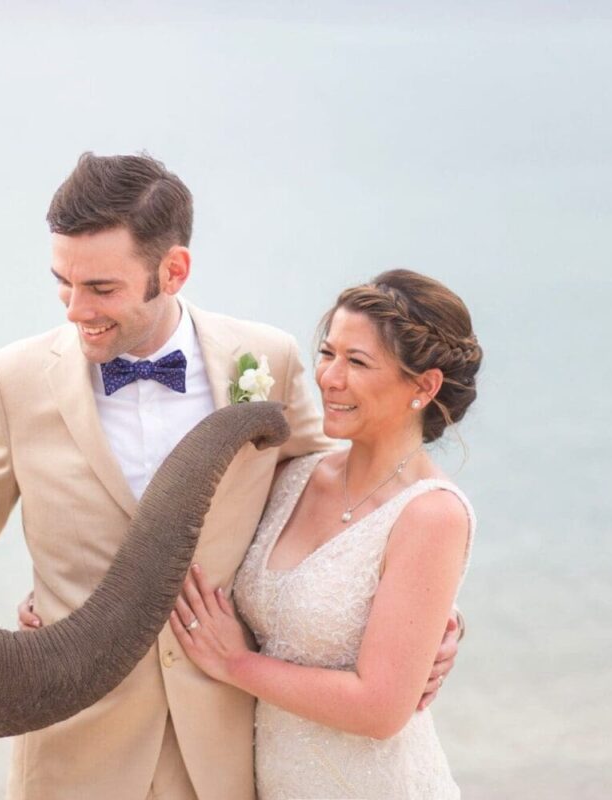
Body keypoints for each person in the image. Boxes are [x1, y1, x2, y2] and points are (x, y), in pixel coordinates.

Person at [0, 154, 463, 800]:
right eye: (63, 281)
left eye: (101, 288)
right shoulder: (15, 379)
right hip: (73, 753)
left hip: (226, 757)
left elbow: (334, 505)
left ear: (173, 270)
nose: (74, 308)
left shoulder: (268, 360)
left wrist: (426, 621)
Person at [169, 269, 481, 799]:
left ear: (424, 386)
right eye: (328, 352)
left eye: (357, 362)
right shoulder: (296, 475)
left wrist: (236, 663)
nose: (328, 378)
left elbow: (380, 709)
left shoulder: (432, 515)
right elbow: (192, 550)